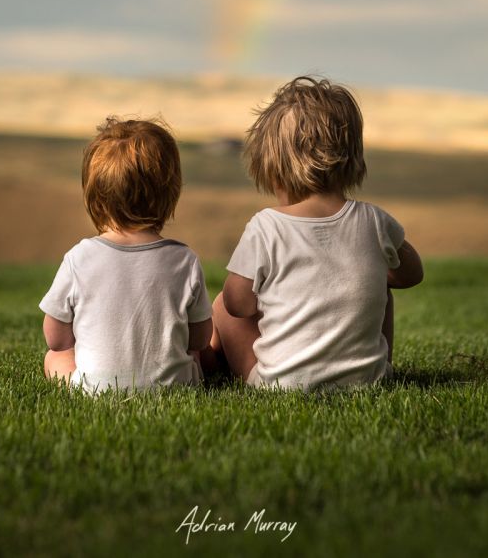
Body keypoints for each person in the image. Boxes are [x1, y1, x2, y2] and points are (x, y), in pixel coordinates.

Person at [208, 76, 423, 390]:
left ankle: (227, 371)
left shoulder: (266, 227)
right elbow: (411, 274)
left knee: (220, 306)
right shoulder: (375, 221)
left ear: (276, 170)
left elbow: (238, 305)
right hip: (369, 383)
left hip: (283, 386)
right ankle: (373, 369)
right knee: (384, 290)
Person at [39, 116, 212, 393]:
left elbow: (56, 339)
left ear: (95, 196)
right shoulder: (185, 260)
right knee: (194, 356)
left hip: (97, 391)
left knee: (55, 358)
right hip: (176, 389)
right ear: (171, 194)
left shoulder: (79, 258)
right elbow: (201, 339)